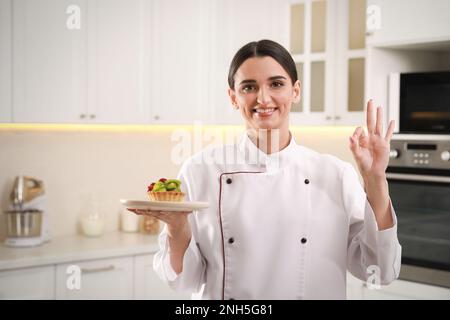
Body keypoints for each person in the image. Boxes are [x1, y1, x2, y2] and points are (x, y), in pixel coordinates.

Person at [130, 39, 401, 299]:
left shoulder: (335, 174)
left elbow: (379, 270)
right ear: (233, 97)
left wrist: (375, 180)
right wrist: (177, 228)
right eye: (248, 87)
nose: (263, 98)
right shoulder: (200, 170)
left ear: (295, 91)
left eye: (276, 84)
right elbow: (182, 280)